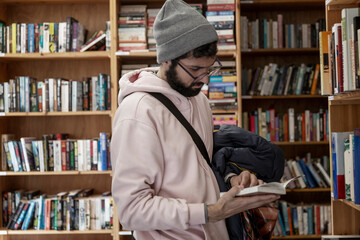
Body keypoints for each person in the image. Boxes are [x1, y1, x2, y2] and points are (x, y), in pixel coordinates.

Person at [111, 0, 280, 239]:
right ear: (166, 59)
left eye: (209, 69)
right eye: (194, 69)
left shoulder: (199, 100)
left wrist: (233, 180)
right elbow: (131, 210)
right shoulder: (138, 113)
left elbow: (202, 167)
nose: (204, 79)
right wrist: (209, 212)